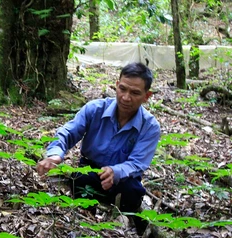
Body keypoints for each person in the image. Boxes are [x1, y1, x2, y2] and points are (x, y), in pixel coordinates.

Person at [36, 62, 160, 221]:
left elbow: (137, 163)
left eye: (135, 93)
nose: (126, 97)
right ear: (116, 85)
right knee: (81, 179)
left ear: (146, 96)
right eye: (122, 89)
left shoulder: (149, 126)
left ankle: (125, 229)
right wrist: (55, 154)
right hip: (89, 172)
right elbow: (68, 132)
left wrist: (115, 172)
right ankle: (84, 221)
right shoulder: (95, 109)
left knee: (133, 192)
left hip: (123, 180)